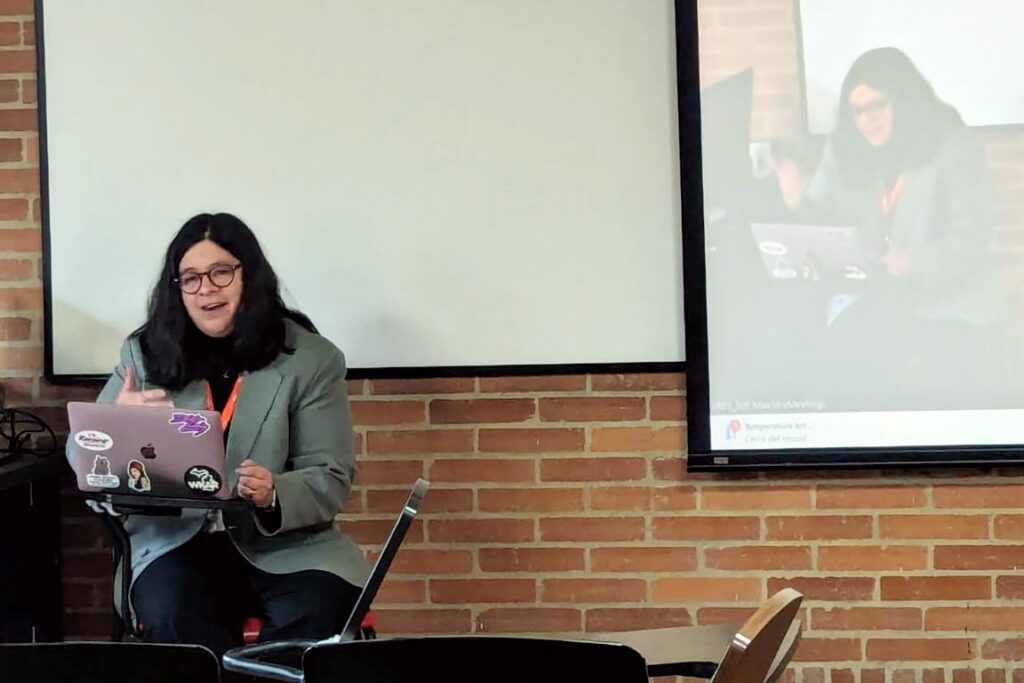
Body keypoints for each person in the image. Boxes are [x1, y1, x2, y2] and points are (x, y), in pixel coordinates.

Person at [73, 212, 368, 666]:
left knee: (322, 608)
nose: (206, 289)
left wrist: (275, 492)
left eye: (221, 272)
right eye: (190, 278)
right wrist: (116, 424)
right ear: (177, 288)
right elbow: (82, 455)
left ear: (250, 276)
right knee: (175, 616)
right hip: (177, 541)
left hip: (285, 544)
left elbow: (330, 476)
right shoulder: (145, 353)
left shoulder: (309, 358)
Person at [774, 47, 1006, 407]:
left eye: (877, 106)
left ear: (903, 99)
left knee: (857, 348)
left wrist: (915, 262)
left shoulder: (952, 145)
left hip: (946, 299)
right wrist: (795, 201)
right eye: (856, 110)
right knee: (813, 339)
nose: (866, 120)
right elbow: (826, 225)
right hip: (883, 296)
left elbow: (972, 239)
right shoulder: (848, 148)